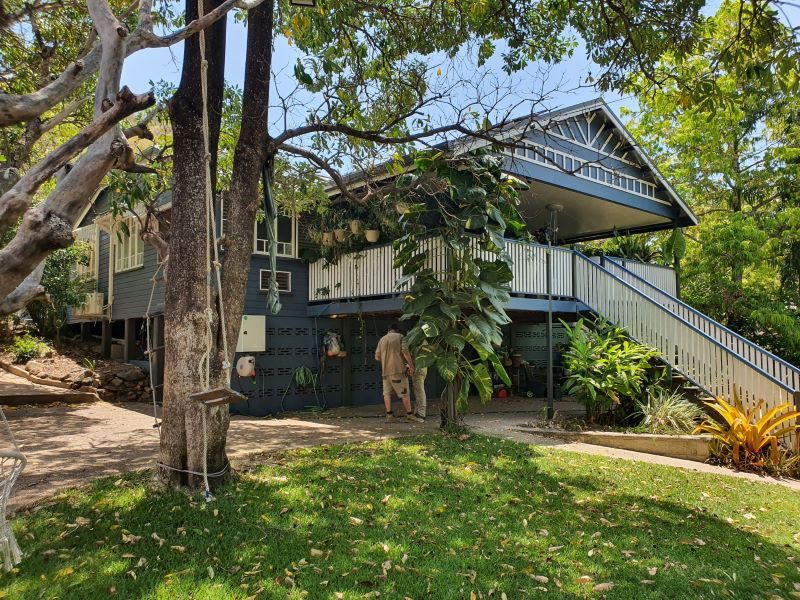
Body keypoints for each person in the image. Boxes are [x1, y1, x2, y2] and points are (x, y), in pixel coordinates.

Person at [375, 323, 421, 422]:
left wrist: (386, 362)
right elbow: (405, 352)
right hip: (398, 371)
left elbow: (377, 356)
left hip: (385, 372)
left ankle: (389, 416)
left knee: (386, 393)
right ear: (397, 330)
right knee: (404, 393)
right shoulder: (400, 337)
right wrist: (411, 365)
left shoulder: (382, 339)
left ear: (389, 330)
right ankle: (409, 414)